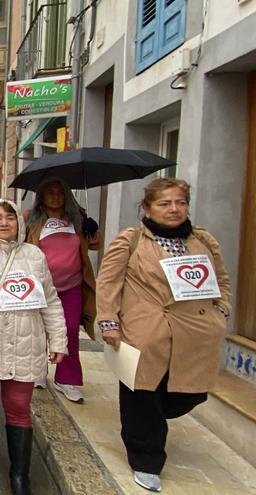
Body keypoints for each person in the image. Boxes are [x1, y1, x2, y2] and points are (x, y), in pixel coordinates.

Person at [96, 178, 231, 493]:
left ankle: (153, 424)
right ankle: (146, 459)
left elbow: (222, 280)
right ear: (147, 207)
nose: (173, 209)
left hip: (195, 332)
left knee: (190, 393)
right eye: (165, 203)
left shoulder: (203, 241)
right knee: (141, 396)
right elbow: (109, 282)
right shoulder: (130, 240)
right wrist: (108, 321)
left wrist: (221, 311)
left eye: (179, 202)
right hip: (146, 331)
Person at [0, 199, 67, 495]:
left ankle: (20, 474)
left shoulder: (34, 255)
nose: (4, 222)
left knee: (18, 406)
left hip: (25, 340)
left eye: (10, 217)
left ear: (19, 223)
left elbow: (51, 299)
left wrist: (58, 339)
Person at [25, 179, 99, 403]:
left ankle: (67, 379)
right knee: (37, 330)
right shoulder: (31, 218)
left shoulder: (78, 217)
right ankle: (38, 371)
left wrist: (92, 230)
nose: (55, 197)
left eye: (60, 192)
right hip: (41, 286)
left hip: (72, 285)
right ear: (42, 196)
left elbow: (95, 245)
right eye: (50, 192)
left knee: (69, 331)